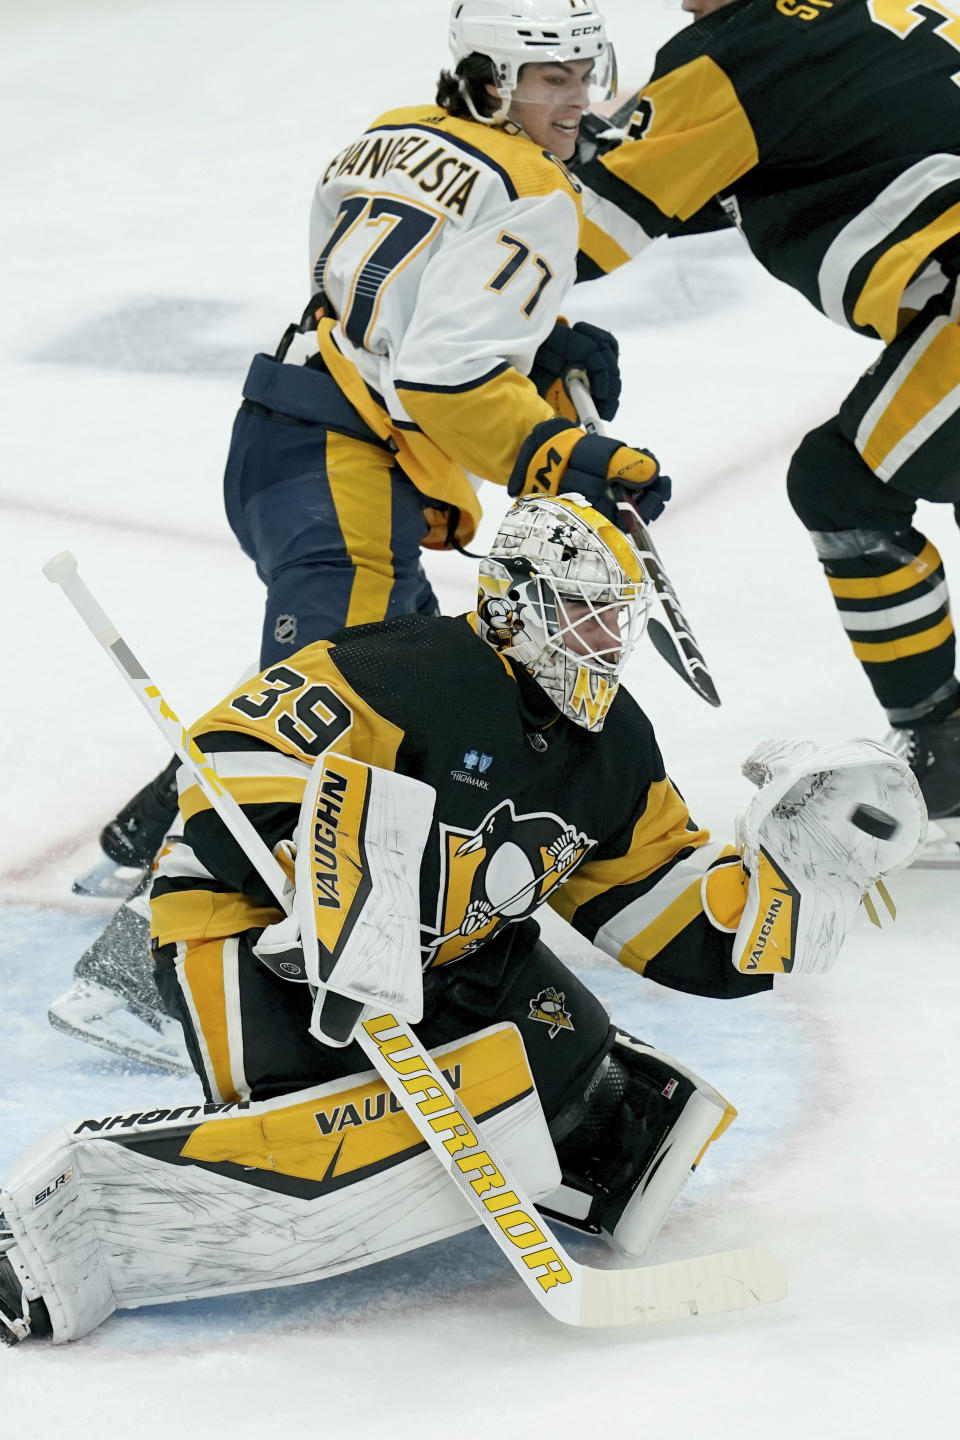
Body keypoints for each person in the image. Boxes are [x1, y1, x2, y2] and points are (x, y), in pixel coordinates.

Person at [0, 494, 924, 1343]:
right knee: (300, 1104)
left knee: (584, 1066)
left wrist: (781, 896)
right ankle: (63, 1232)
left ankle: (535, 1137)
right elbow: (227, 753)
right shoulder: (405, 672)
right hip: (248, 932)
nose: (607, 640)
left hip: (447, 953)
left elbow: (650, 899)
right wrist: (311, 872)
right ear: (517, 606)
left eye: (619, 618)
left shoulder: (614, 746)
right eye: (584, 612)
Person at [51, 0, 675, 1065]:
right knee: (333, 721)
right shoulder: (531, 187)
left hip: (283, 438)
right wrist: (555, 451)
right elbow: (441, 375)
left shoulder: (386, 134)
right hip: (347, 464)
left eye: (583, 72)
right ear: (489, 80)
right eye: (549, 80)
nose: (576, 99)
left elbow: (381, 302)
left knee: (367, 688)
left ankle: (141, 839)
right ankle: (137, 980)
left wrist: (539, 333)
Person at [570, 0, 960, 863]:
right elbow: (784, 156)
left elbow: (579, 231)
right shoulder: (872, 12)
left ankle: (952, 767)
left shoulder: (737, 53)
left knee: (842, 481)